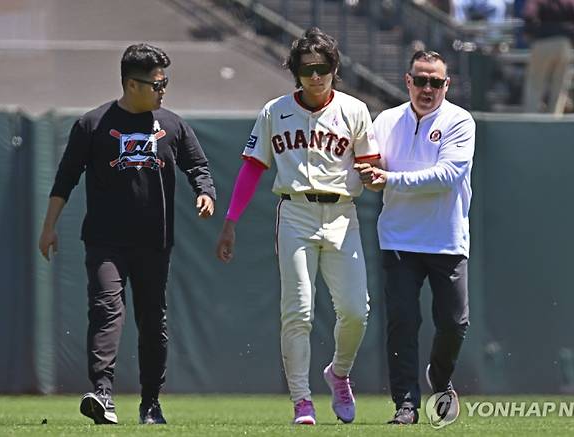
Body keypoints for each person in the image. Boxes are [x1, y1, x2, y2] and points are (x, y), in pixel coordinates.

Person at [38, 43, 216, 425]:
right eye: (157, 83)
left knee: (153, 322)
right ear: (131, 84)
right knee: (106, 311)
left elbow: (198, 166)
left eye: (165, 82)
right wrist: (49, 226)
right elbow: (66, 178)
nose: (163, 89)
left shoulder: (172, 125)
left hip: (155, 242)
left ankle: (151, 404)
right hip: (105, 241)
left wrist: (205, 192)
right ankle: (103, 395)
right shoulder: (92, 124)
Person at [215, 27, 380, 425]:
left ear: (334, 68)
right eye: (307, 69)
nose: (316, 76)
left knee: (357, 311)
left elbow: (370, 164)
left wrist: (374, 175)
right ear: (295, 71)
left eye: (323, 68)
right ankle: (302, 401)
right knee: (299, 311)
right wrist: (230, 221)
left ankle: (338, 374)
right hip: (296, 213)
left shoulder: (354, 110)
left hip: (342, 215)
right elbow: (253, 168)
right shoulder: (275, 111)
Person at [355, 50, 474, 425]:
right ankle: (405, 404)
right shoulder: (387, 121)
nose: (427, 89)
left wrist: (389, 179)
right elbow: (370, 168)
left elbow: (447, 175)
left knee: (454, 323)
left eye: (435, 82)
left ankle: (439, 377)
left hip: (446, 239)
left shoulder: (460, 121)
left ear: (446, 85)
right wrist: (370, 177)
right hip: (399, 238)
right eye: (420, 80)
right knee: (402, 323)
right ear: (407, 81)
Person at [522, 0, 574, 114]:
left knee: (535, 84)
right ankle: (554, 119)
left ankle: (531, 117)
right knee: (559, 86)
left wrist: (536, 29)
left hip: (542, 43)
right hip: (564, 44)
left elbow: (528, 16)